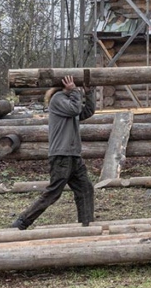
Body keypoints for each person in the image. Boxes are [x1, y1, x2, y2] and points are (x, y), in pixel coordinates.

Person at [11, 75, 96, 229]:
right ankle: (22, 222)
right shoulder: (58, 99)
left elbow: (86, 112)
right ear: (66, 83)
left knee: (85, 189)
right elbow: (75, 109)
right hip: (62, 155)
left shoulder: (69, 100)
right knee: (53, 193)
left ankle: (87, 225)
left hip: (73, 155)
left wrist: (89, 93)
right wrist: (75, 92)